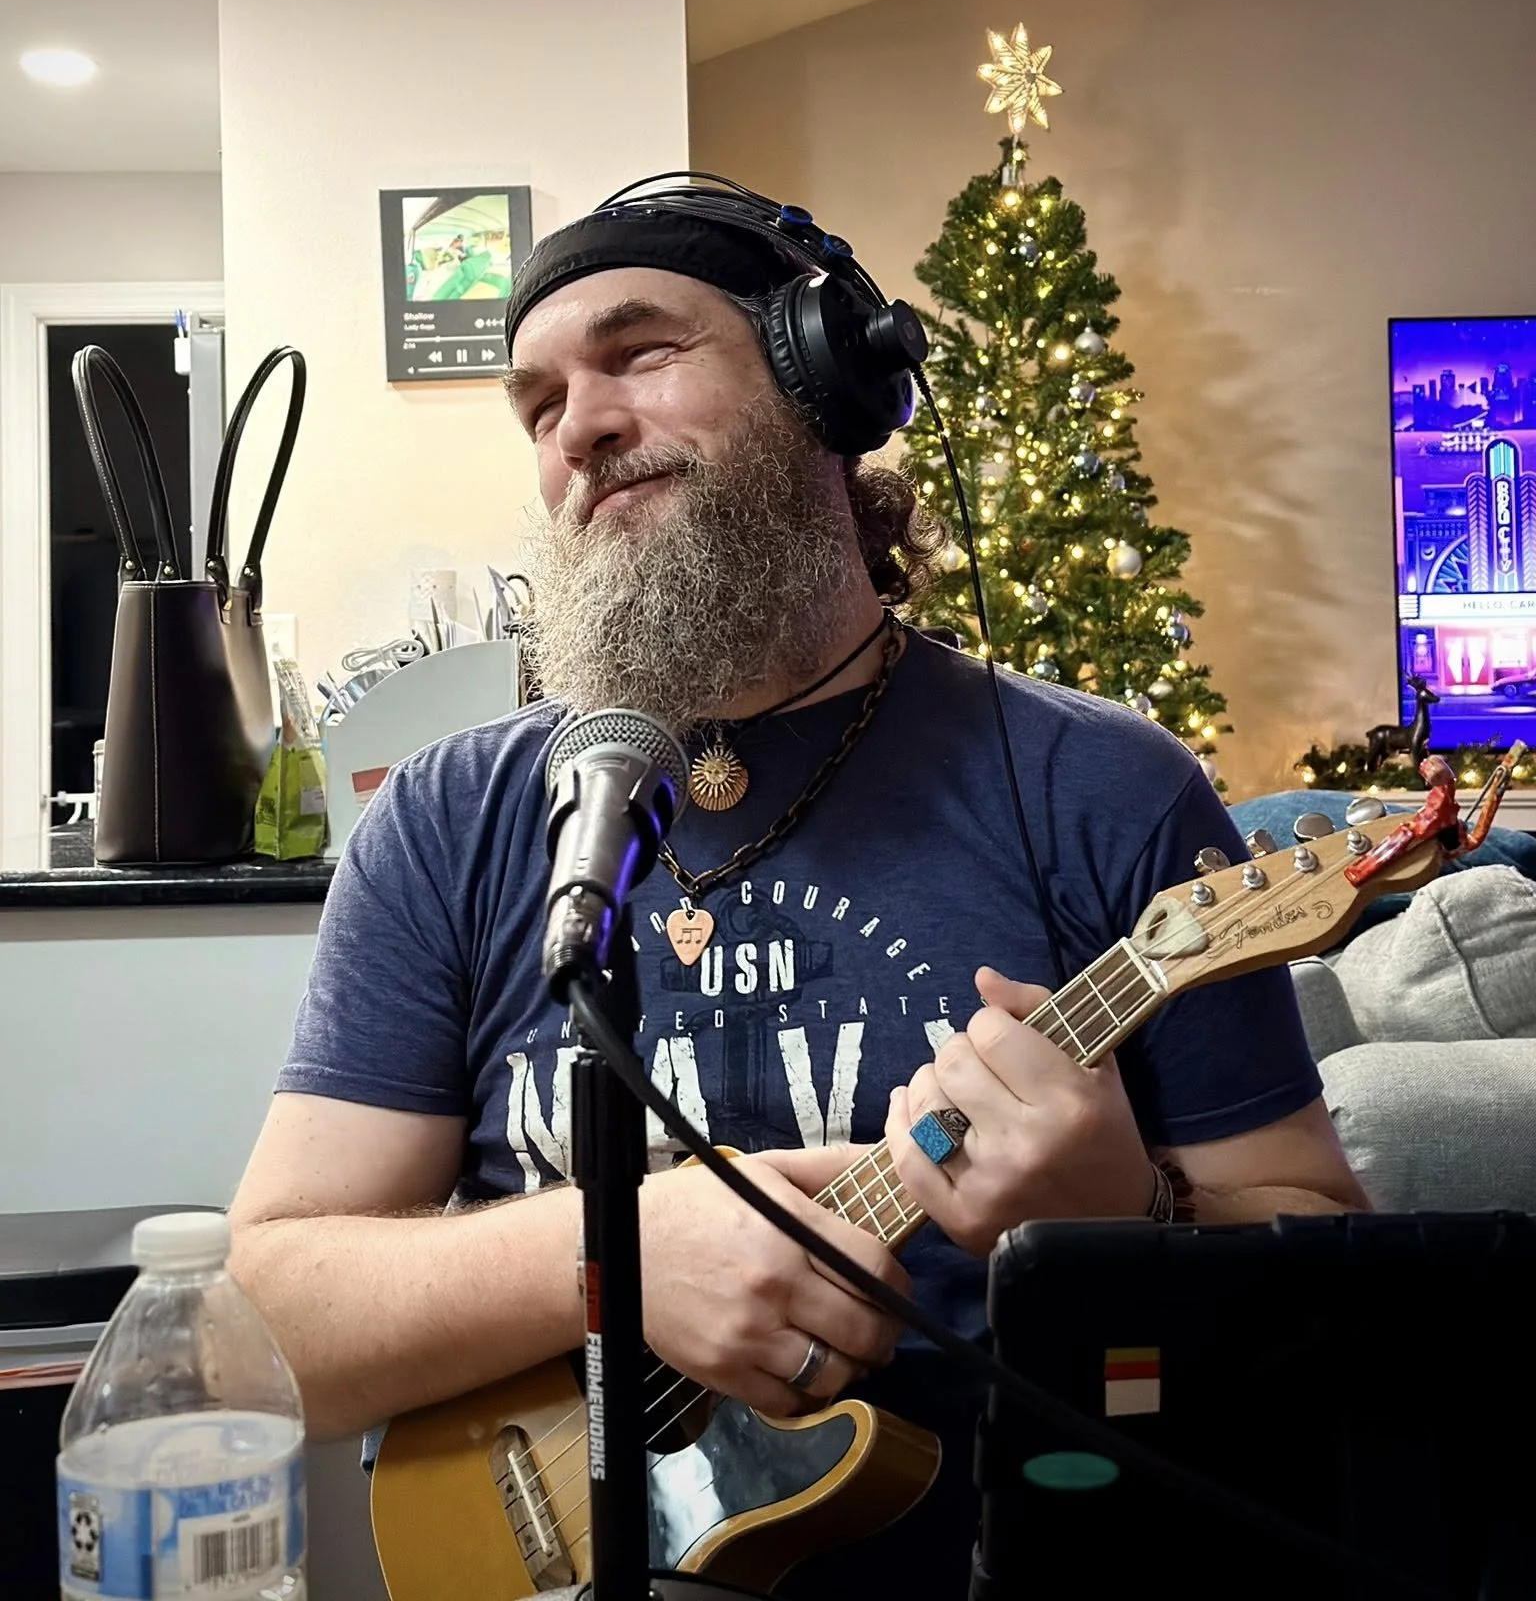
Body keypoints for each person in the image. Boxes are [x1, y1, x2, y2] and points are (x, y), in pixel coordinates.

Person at [229, 183, 1365, 1598]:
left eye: (639, 355)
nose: (576, 427)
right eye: (536, 404)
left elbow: (1343, 1306)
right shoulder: (453, 818)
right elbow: (272, 1321)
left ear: (823, 383)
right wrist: (618, 1253)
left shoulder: (1105, 787)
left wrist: (1134, 1223)